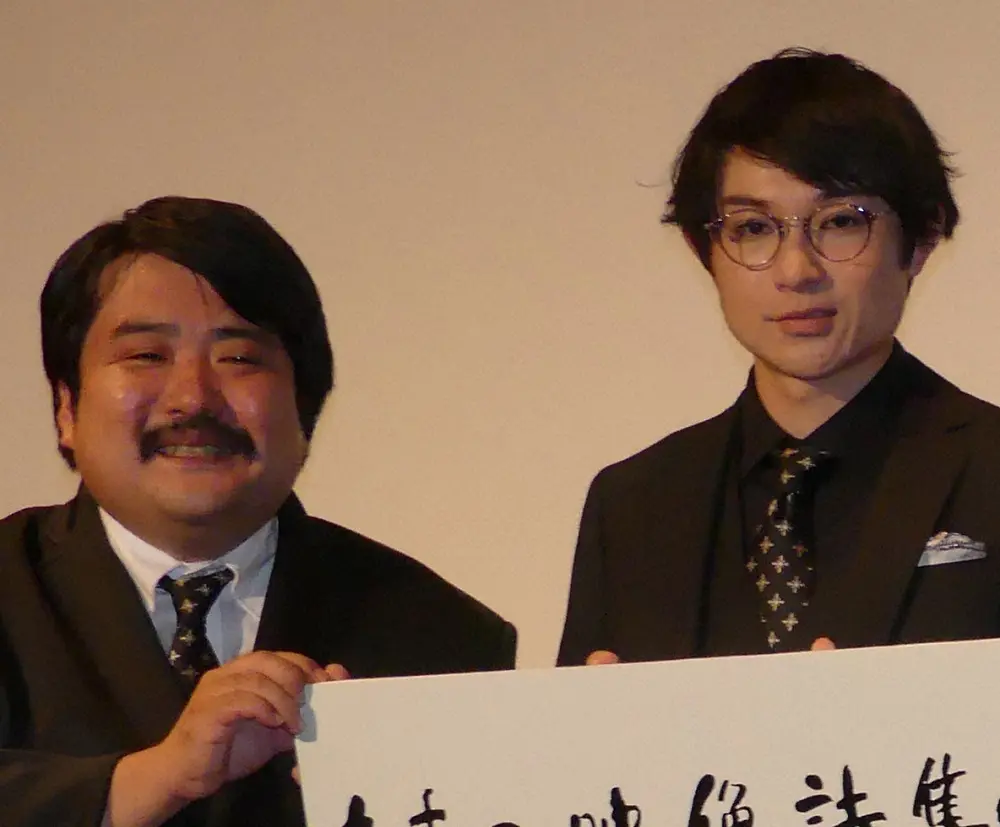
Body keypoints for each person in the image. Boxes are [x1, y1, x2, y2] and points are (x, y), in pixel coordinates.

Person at [0, 196, 516, 826]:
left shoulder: (441, 636)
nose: (193, 397)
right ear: (66, 408)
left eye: (239, 358)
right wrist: (152, 778)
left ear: (304, 409)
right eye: (146, 355)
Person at [558, 47, 1000, 667]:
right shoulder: (633, 505)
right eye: (753, 229)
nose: (796, 270)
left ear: (921, 239)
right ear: (705, 252)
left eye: (840, 222)